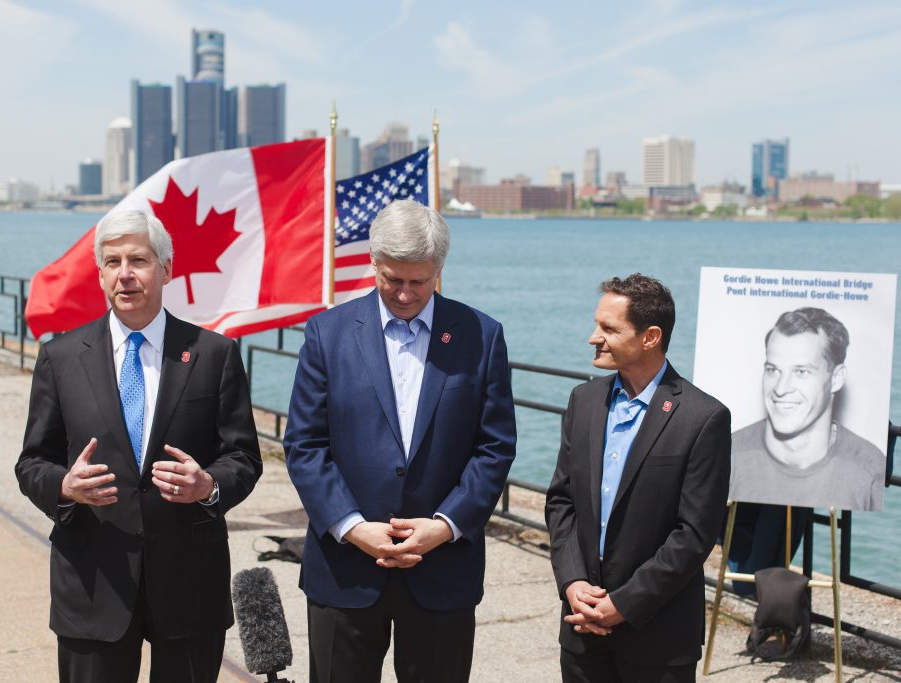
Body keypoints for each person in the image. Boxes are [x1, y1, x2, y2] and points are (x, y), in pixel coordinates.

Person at [15, 210, 262, 683]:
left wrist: (208, 485)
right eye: (112, 262)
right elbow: (32, 462)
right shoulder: (61, 357)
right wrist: (64, 487)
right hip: (93, 583)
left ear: (166, 269)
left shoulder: (214, 355)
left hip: (190, 584)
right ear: (101, 274)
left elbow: (245, 458)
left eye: (139, 260)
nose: (125, 274)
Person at [283, 199, 516, 683]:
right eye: (393, 280)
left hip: (443, 569)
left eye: (419, 281)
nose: (405, 294)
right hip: (345, 568)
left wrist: (445, 525)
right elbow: (305, 444)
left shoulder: (482, 335)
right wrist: (350, 526)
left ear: (439, 271)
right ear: (373, 263)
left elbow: (493, 448)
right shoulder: (326, 333)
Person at [545, 273, 731, 682]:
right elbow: (562, 502)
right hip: (581, 626)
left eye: (609, 328)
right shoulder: (584, 400)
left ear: (650, 337)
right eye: (597, 325)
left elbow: (694, 535)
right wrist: (573, 583)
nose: (594, 337)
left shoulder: (703, 418)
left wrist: (625, 604)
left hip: (658, 637)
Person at [729, 307, 884, 512]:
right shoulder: (728, 454)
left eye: (801, 371)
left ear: (836, 378)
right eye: (773, 370)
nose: (781, 388)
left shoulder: (868, 468)